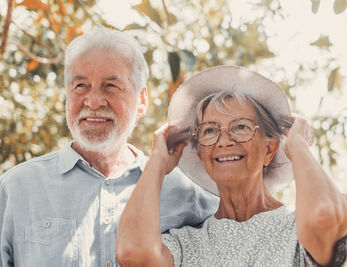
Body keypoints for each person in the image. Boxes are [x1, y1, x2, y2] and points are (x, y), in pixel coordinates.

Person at [0, 27, 218, 267]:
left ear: (142, 101)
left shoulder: (187, 192)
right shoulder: (16, 189)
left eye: (111, 86)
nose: (93, 101)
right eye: (81, 85)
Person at [116, 66, 347, 266]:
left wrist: (297, 146)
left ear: (270, 149)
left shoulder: (296, 227)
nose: (224, 141)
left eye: (241, 127)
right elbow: (132, 253)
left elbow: (324, 215)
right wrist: (157, 163)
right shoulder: (187, 243)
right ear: (201, 154)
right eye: (210, 131)